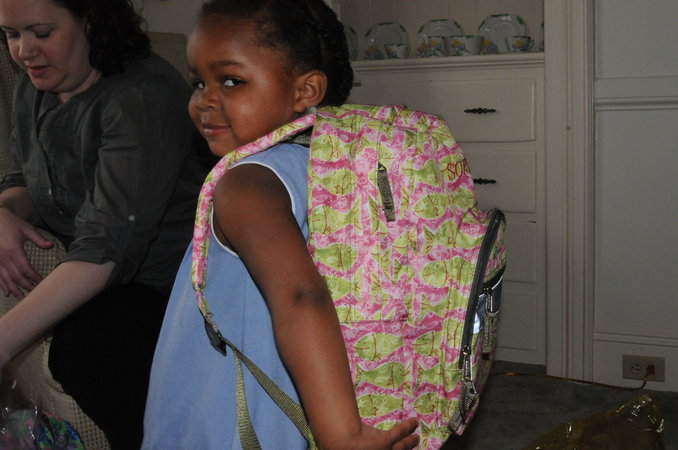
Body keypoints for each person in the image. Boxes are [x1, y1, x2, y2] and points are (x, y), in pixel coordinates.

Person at [143, 0, 420, 449]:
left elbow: (301, 296)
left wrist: (343, 436)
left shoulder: (244, 185)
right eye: (198, 82)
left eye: (230, 81)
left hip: (228, 413)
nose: (204, 100)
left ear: (305, 90)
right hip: (298, 396)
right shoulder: (340, 165)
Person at [0, 0, 212, 447]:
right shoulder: (34, 87)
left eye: (41, 33)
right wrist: (4, 212)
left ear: (92, 22)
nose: (23, 51)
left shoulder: (141, 95)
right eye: (11, 35)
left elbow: (107, 249)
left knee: (90, 342)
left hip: (176, 288)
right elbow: (28, 180)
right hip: (106, 272)